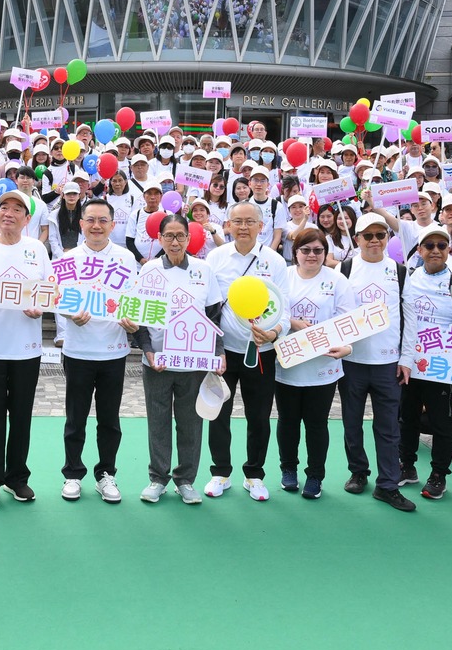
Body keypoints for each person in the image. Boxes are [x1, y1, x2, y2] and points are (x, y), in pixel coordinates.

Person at [125, 207, 220, 504]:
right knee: (158, 420)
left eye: (180, 236)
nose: (175, 242)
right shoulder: (149, 270)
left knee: (191, 421)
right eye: (169, 236)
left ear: (190, 238)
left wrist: (217, 354)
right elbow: (137, 317)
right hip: (158, 362)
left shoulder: (203, 271)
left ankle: (186, 480)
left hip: (193, 363)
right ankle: (158, 478)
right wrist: (148, 350)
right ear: (159, 238)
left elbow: (214, 316)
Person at [0, 187, 52, 507]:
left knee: (20, 416)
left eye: (17, 209)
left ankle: (17, 478)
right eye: (5, 207)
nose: (9, 214)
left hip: (25, 347)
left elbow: (48, 290)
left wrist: (40, 307)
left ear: (27, 218)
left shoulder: (37, 249)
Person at [204, 202, 289, 499]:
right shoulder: (214, 258)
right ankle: (220, 472)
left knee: (259, 416)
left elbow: (285, 311)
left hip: (261, 353)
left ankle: (254, 474)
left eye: (249, 222)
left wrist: (273, 333)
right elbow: (208, 307)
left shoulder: (275, 262)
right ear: (227, 224)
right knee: (218, 414)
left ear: (260, 226)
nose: (242, 227)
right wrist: (213, 348)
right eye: (237, 221)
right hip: (223, 352)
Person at [56, 196, 136, 502]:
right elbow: (58, 300)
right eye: (90, 220)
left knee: (109, 419)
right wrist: (69, 315)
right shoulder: (67, 258)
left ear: (113, 225)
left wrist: (133, 323)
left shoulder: (126, 259)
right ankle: (73, 474)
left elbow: (135, 301)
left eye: (103, 220)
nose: (97, 226)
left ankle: (107, 474)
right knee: (75, 418)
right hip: (78, 351)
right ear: (81, 224)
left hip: (114, 351)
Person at [338, 212, 411, 510]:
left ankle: (388, 484)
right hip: (352, 360)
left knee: (388, 426)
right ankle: (358, 471)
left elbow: (411, 318)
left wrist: (406, 357)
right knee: (351, 421)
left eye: (380, 235)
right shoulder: (346, 268)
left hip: (387, 361)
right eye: (368, 236)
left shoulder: (400, 270)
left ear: (387, 238)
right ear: (357, 239)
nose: (374, 241)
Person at [275, 227, 351, 499]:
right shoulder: (283, 276)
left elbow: (347, 320)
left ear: (325, 253)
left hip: (323, 368)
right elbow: (271, 311)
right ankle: (288, 470)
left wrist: (346, 347)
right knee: (288, 421)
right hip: (288, 364)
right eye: (305, 250)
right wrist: (292, 322)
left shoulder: (337, 280)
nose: (312, 255)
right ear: (295, 252)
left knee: (317, 424)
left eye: (318, 250)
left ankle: (315, 476)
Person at [401, 226, 452, 500]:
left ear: (449, 249)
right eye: (429, 246)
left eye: (441, 245)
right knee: (406, 418)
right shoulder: (408, 278)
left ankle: (439, 474)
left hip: (442, 367)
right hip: (409, 363)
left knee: (441, 422)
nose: (436, 250)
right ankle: (406, 466)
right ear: (419, 250)